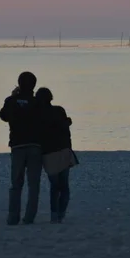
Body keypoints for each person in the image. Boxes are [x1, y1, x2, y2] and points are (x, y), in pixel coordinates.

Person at [0, 71, 44, 225]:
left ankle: (13, 217)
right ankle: (29, 217)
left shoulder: (11, 100)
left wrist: (13, 97)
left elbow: (3, 116)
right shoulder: (37, 102)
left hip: (18, 145)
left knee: (16, 184)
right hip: (35, 145)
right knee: (34, 184)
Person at [35, 87, 77, 223]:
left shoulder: (38, 115)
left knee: (55, 186)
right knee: (64, 186)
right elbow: (66, 132)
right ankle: (61, 213)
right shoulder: (59, 110)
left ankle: (54, 214)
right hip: (63, 150)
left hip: (49, 153)